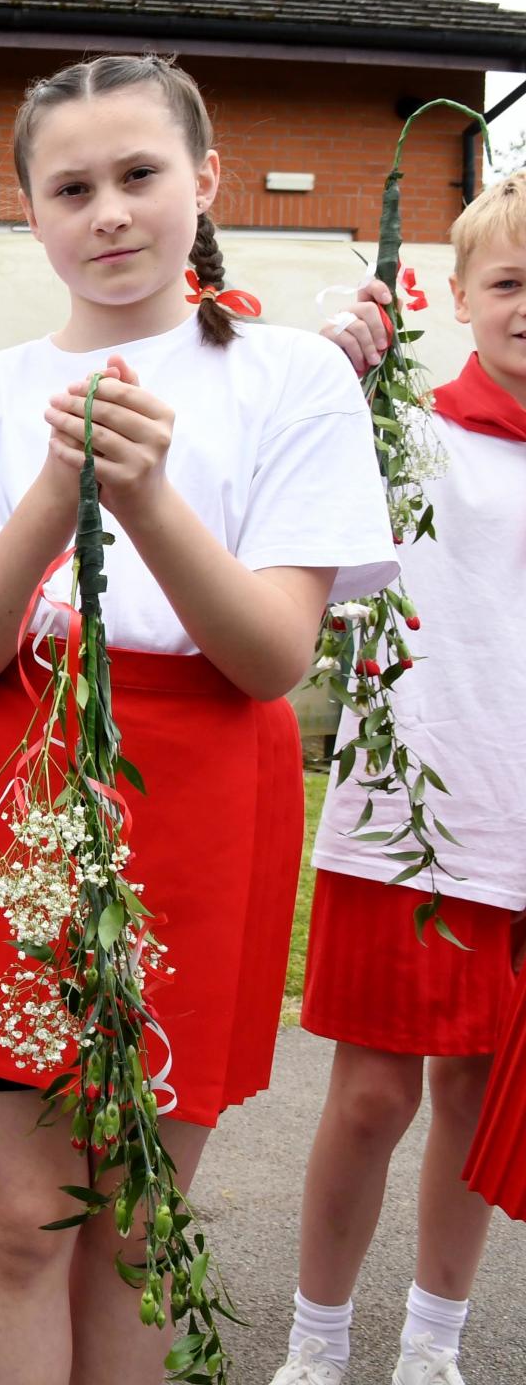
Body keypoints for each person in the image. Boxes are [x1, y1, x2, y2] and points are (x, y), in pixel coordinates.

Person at [0, 54, 396, 1380]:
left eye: (141, 176)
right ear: (31, 215)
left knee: (141, 1212)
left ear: (205, 184)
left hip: (202, 793)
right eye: (74, 187)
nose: (109, 211)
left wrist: (148, 497)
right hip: (11, 786)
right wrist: (57, 489)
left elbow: (273, 655)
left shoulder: (291, 378)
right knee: (21, 1215)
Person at [279, 174, 526, 1385]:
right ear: (465, 297)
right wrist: (339, 361)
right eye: (511, 283)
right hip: (409, 828)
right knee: (374, 1102)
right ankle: (316, 1343)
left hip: (523, 841)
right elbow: (286, 450)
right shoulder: (404, 431)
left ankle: (433, 1341)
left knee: (478, 1108)